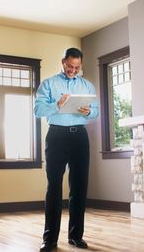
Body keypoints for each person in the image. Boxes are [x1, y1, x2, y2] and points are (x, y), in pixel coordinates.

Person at [34, 48, 99, 251]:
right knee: (54, 187)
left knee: (79, 188)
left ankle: (75, 236)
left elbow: (95, 112)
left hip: (79, 136)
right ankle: (50, 239)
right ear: (63, 62)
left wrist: (88, 111)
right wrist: (57, 104)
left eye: (77, 67)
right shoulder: (49, 84)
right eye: (70, 66)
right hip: (56, 136)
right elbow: (38, 110)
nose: (73, 70)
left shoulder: (86, 85)